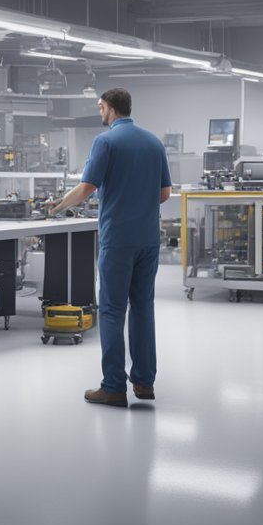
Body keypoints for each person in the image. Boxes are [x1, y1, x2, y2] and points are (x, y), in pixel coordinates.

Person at [47, 88, 171, 408]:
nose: (100, 113)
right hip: (148, 239)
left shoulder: (106, 142)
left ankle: (113, 386)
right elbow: (164, 194)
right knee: (143, 307)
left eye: (100, 108)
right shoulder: (154, 142)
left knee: (113, 311)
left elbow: (87, 188)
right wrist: (139, 204)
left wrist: (58, 205)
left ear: (110, 109)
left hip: (117, 240)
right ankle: (144, 383)